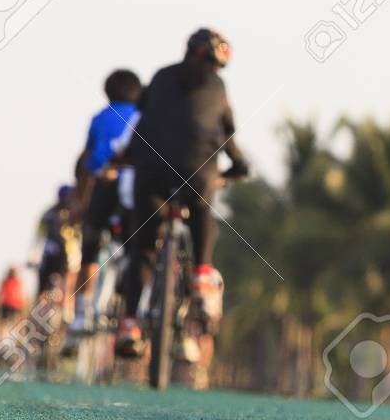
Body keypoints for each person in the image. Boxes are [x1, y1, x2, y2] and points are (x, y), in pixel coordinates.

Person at [117, 28, 248, 359]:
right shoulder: (219, 87)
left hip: (150, 170)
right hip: (198, 170)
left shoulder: (161, 77)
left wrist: (127, 156)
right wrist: (238, 166)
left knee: (144, 249)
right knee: (203, 210)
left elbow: (143, 120)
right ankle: (202, 273)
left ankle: (131, 323)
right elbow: (227, 134)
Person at [70, 69, 142, 338]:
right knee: (138, 247)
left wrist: (80, 200)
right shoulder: (143, 118)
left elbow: (88, 162)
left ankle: (81, 312)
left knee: (89, 247)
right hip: (136, 189)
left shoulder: (99, 119)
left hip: (106, 184)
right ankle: (136, 307)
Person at [35, 185, 80, 312]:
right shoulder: (50, 214)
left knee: (68, 286)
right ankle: (41, 316)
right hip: (52, 256)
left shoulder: (73, 215)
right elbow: (39, 236)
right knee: (46, 289)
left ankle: (65, 314)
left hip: (68, 256)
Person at [0, 266, 26, 341]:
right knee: (4, 324)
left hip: (14, 306)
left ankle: (19, 340)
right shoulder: (7, 282)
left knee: (15, 324)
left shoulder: (16, 282)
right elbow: (1, 294)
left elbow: (22, 295)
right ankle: (0, 340)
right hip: (9, 306)